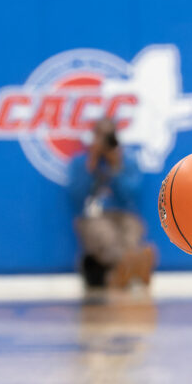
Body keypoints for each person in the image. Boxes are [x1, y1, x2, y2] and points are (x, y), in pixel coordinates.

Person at [68, 116, 156, 290]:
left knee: (132, 232)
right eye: (100, 136)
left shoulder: (127, 161)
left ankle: (123, 270)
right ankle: (133, 265)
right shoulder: (81, 162)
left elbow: (131, 195)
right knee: (105, 236)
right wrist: (91, 165)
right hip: (95, 215)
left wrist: (116, 166)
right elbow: (77, 196)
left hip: (124, 214)